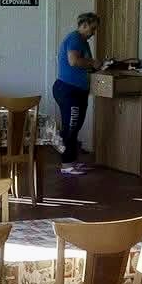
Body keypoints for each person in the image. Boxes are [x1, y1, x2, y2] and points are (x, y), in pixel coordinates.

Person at [52, 12, 102, 175]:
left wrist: (95, 66)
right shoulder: (75, 38)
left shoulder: (83, 42)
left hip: (78, 91)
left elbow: (84, 64)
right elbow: (74, 61)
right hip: (68, 90)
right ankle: (66, 164)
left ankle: (72, 161)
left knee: (76, 127)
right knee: (70, 127)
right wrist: (93, 62)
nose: (93, 33)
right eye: (92, 29)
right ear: (84, 25)